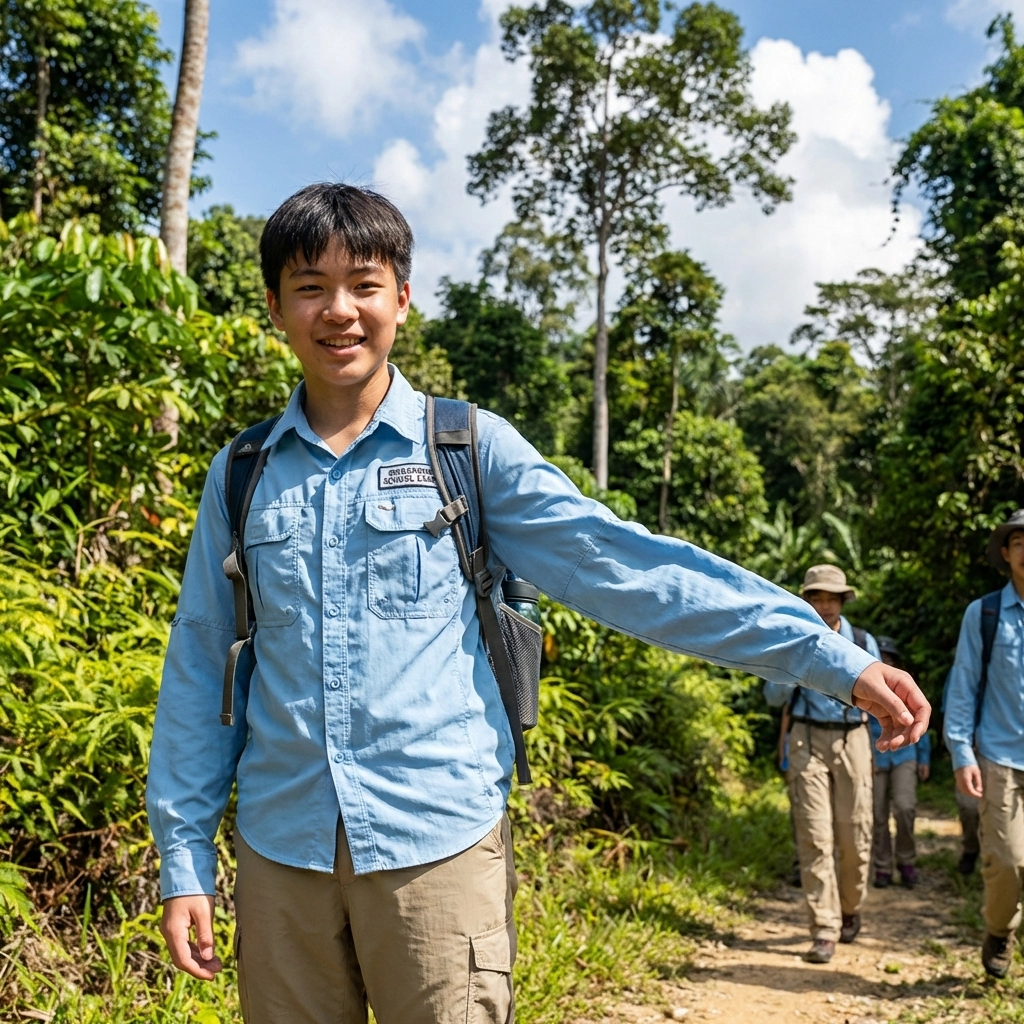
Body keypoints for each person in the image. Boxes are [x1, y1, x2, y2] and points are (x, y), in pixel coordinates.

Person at [146, 183, 930, 1024]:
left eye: (364, 284)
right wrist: (183, 858)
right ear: (274, 305)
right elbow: (202, 668)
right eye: (310, 287)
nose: (339, 310)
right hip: (281, 856)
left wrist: (832, 659)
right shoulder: (243, 472)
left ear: (402, 299)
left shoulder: (467, 449)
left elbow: (631, 569)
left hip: (437, 844)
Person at [764, 564, 881, 965]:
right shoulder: (790, 637)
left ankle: (850, 908)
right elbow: (773, 699)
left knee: (855, 835)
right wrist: (794, 660)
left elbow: (881, 697)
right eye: (817, 597)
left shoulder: (863, 642)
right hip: (806, 738)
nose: (825, 606)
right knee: (814, 835)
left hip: (853, 739)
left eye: (832, 598)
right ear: (806, 600)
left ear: (843, 601)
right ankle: (824, 928)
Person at [944, 510, 1024, 979]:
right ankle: (999, 929)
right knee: (1008, 861)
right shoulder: (985, 613)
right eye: (1018, 543)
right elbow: (963, 685)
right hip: (1000, 758)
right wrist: (961, 752)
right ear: (1006, 554)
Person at [869, 637, 931, 889]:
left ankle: (906, 861)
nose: (886, 661)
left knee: (905, 808)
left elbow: (920, 719)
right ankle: (882, 866)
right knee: (877, 812)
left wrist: (924, 757)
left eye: (890, 658)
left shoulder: (906, 685)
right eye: (881, 657)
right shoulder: (862, 686)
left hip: (906, 754)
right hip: (875, 754)